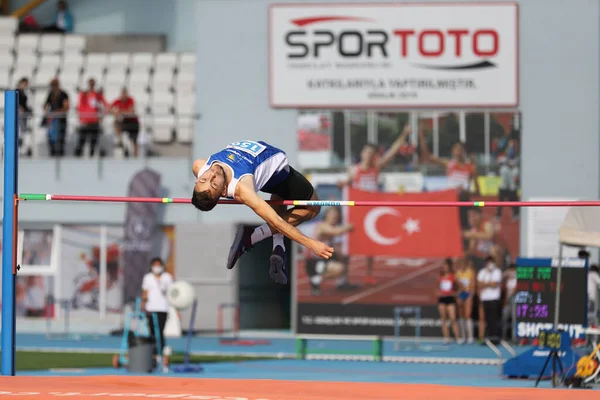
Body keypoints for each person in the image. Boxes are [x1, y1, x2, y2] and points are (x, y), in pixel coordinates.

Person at [191, 140, 332, 284]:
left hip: (266, 172)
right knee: (313, 208)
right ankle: (253, 237)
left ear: (197, 180)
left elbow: (205, 184)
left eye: (204, 179)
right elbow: (276, 221)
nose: (212, 175)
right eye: (214, 184)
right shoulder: (242, 188)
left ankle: (275, 245)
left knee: (279, 195)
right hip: (279, 173)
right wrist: (312, 244)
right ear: (224, 190)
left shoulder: (198, 166)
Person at [339, 123, 412, 284]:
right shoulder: (355, 170)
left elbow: (393, 151)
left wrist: (404, 135)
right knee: (349, 242)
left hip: (371, 211)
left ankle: (369, 273)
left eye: (372, 153)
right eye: (367, 152)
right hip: (356, 210)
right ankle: (344, 276)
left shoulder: (376, 167)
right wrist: (342, 183)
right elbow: (345, 184)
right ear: (362, 153)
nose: (369, 155)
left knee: (370, 243)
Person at [419, 124, 480, 229]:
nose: (458, 151)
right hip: (451, 202)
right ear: (452, 151)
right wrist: (421, 136)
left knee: (464, 229)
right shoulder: (449, 164)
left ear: (464, 152)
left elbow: (478, 193)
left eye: (461, 149)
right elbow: (427, 156)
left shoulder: (471, 168)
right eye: (456, 148)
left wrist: (465, 192)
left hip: (464, 203)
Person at [304, 206, 357, 295]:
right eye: (332, 214)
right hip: (314, 261)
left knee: (344, 256)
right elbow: (335, 231)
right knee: (339, 268)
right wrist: (350, 226)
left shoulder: (333, 226)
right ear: (326, 215)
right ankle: (316, 279)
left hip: (324, 258)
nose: (334, 216)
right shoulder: (322, 226)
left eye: (336, 214)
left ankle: (342, 282)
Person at [141, 257, 173, 355]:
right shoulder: (148, 277)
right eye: (155, 265)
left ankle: (161, 350)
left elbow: (172, 291)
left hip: (163, 308)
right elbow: (145, 292)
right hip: (151, 307)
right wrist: (143, 303)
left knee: (160, 330)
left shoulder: (167, 277)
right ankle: (152, 350)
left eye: (159, 265)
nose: (157, 267)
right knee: (152, 330)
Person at [75, 78, 107, 157]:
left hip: (94, 122)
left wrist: (102, 116)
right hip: (85, 122)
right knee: (81, 141)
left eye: (92, 83)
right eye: (90, 83)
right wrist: (81, 118)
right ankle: (79, 158)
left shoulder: (97, 95)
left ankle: (91, 157)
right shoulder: (83, 94)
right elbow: (79, 107)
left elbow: (106, 105)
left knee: (93, 142)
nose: (91, 85)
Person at [477, 256, 502, 344]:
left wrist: (485, 284)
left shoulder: (497, 271)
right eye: (488, 262)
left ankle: (494, 338)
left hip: (494, 298)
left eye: (491, 262)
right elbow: (479, 285)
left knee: (494, 319)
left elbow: (494, 284)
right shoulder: (482, 272)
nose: (490, 264)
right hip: (485, 298)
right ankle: (487, 338)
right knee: (486, 319)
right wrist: (488, 283)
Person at [437, 258, 462, 344]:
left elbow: (459, 286)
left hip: (450, 298)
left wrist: (456, 294)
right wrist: (438, 293)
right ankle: (446, 338)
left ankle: (458, 338)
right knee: (443, 319)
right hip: (442, 299)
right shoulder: (440, 276)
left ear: (449, 266)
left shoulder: (453, 276)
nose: (445, 267)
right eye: (444, 266)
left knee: (453, 318)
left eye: (446, 266)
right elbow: (436, 286)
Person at [110, 88, 140, 157]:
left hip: (133, 123)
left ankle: (136, 156)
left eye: (124, 94)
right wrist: (114, 112)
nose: (123, 96)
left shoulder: (130, 100)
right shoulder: (118, 101)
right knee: (116, 122)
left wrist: (119, 112)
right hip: (125, 123)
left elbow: (131, 111)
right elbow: (109, 108)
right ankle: (120, 140)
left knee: (134, 141)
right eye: (122, 94)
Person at [43, 78, 69, 157]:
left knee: (60, 139)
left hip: (61, 119)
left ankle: (60, 156)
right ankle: (52, 155)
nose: (53, 87)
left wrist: (55, 112)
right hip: (52, 120)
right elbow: (45, 105)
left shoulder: (63, 94)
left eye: (54, 85)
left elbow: (66, 107)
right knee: (51, 139)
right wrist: (48, 113)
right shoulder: (51, 94)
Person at [456, 257, 476, 343]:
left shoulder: (470, 272)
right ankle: (463, 336)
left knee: (467, 314)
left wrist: (471, 294)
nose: (462, 265)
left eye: (464, 264)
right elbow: (457, 285)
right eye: (461, 264)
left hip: (468, 294)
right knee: (461, 315)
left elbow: (473, 284)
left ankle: (470, 336)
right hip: (461, 294)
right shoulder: (458, 273)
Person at [502, 263, 517, 340]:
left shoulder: (517, 278)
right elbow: (503, 274)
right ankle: (503, 337)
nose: (511, 272)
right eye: (510, 270)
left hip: (514, 301)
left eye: (513, 270)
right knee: (505, 318)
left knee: (514, 319)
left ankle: (514, 337)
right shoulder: (507, 279)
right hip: (507, 301)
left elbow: (515, 289)